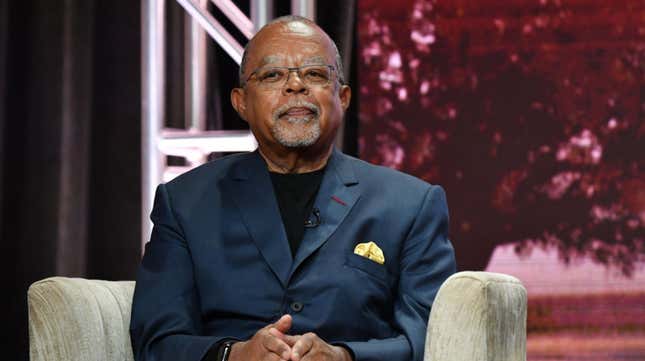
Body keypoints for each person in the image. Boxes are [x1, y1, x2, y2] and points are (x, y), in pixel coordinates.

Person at [130, 15, 456, 361]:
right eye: (272, 75)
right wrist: (234, 354)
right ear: (241, 102)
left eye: (315, 74)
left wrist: (345, 357)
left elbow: (431, 339)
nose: (295, 85)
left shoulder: (410, 204)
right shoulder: (185, 202)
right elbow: (155, 339)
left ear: (342, 97)